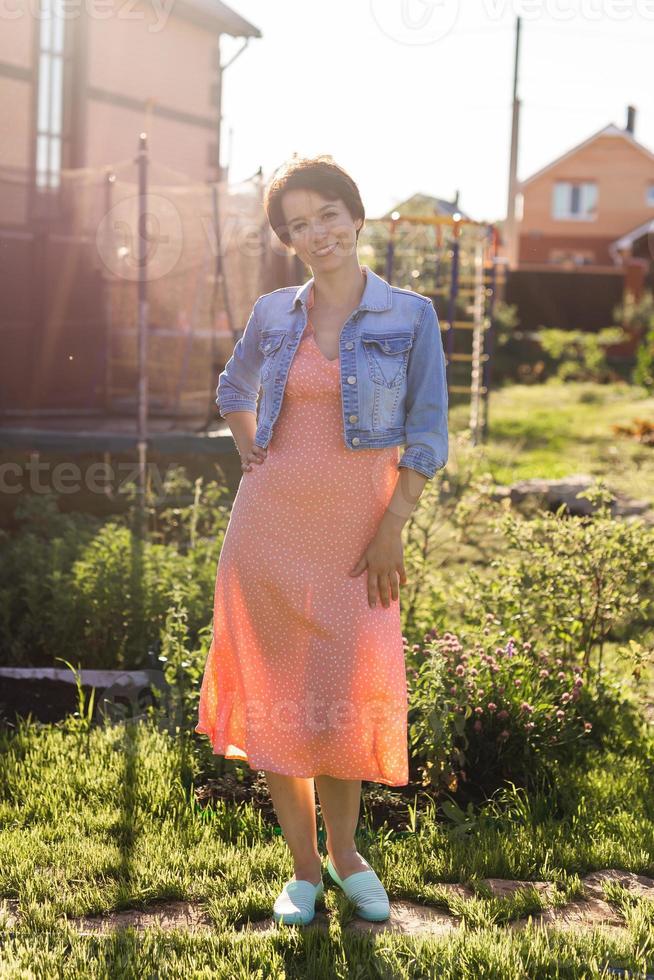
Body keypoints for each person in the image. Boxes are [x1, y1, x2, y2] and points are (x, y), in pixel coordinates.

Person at [195, 155, 449, 926]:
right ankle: (304, 871)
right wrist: (250, 451)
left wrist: (391, 531)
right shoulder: (276, 312)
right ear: (287, 240)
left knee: (341, 698)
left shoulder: (411, 315)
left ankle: (348, 857)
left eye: (327, 214)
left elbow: (428, 434)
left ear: (356, 214)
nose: (318, 233)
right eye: (298, 225)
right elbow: (233, 388)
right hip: (267, 530)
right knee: (279, 701)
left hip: (357, 536)